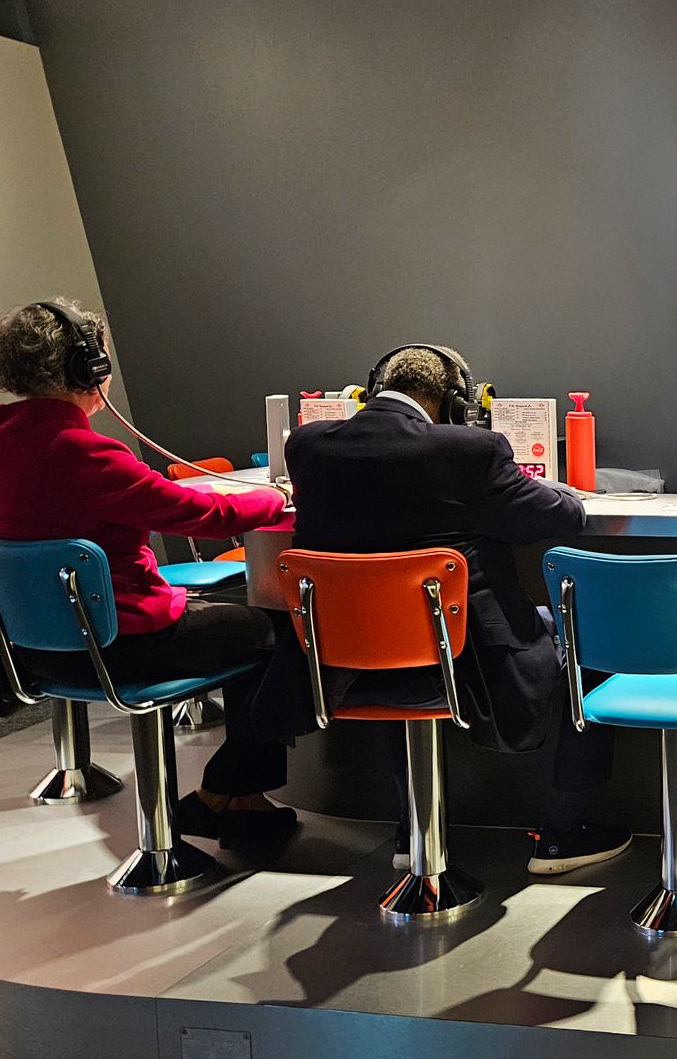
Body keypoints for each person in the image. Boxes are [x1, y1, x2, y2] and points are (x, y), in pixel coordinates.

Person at [254, 347, 627, 875]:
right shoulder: (470, 450)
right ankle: (564, 834)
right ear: (454, 402)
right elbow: (563, 515)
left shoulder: (310, 446)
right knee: (591, 640)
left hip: (342, 663)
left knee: (390, 633)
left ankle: (412, 830)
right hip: (465, 665)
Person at [0, 301, 296, 843]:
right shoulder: (90, 453)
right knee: (274, 630)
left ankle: (243, 801)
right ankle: (228, 794)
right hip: (117, 645)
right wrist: (275, 497)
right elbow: (208, 517)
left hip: (36, 650)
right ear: (87, 368)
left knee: (236, 622)